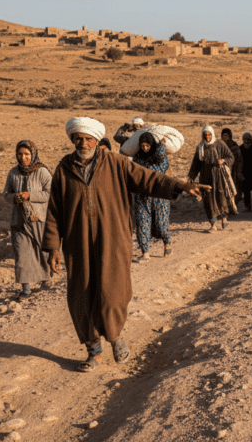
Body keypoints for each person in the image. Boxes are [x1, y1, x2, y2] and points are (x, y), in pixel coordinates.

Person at [44, 117, 209, 372]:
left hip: (113, 239)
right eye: (79, 138)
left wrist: (180, 185)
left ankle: (116, 337)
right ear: (73, 139)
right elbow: (54, 210)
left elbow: (150, 180)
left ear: (97, 140)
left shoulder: (117, 163)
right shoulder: (64, 168)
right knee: (81, 295)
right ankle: (93, 350)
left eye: (88, 138)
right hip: (77, 244)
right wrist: (54, 247)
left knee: (113, 292)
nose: (83, 142)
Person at [3, 140, 52, 298]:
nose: (23, 157)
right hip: (19, 221)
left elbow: (50, 193)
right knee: (21, 254)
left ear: (33, 154)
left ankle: (46, 280)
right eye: (20, 154)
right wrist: (14, 198)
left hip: (38, 219)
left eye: (26, 154)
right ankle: (26, 290)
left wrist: (30, 195)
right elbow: (6, 194)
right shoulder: (12, 173)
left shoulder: (42, 172)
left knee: (41, 251)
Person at [188, 126, 239, 231]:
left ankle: (224, 218)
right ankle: (213, 225)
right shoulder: (200, 147)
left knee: (221, 197)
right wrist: (191, 176)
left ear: (212, 134)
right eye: (205, 135)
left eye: (209, 135)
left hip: (218, 177)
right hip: (205, 179)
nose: (207, 137)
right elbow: (196, 164)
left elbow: (231, 156)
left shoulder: (219, 143)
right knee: (208, 201)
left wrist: (223, 160)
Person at [131, 132, 172, 262]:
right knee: (142, 224)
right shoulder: (137, 157)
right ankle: (145, 253)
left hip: (160, 196)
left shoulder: (159, 156)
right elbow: (133, 171)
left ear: (152, 144)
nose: (145, 148)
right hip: (142, 197)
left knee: (161, 224)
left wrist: (161, 148)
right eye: (142, 146)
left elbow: (162, 167)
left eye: (147, 145)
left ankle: (167, 243)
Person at [220, 128, 245, 207]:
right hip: (222, 170)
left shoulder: (234, 145)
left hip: (233, 170)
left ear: (230, 136)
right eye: (224, 136)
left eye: (227, 136)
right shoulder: (219, 145)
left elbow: (240, 159)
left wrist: (239, 171)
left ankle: (233, 205)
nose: (225, 138)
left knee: (233, 188)